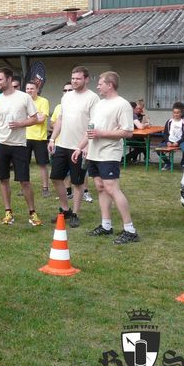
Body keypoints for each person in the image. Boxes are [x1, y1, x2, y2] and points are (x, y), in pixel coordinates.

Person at [73, 71, 138, 243]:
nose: (97, 86)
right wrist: (80, 147)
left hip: (110, 152)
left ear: (110, 85)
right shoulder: (99, 104)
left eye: (100, 83)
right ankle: (106, 225)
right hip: (94, 153)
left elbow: (128, 132)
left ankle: (130, 230)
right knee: (100, 187)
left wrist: (101, 133)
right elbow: (91, 130)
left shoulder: (122, 104)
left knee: (112, 188)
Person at [0, 67, 42, 227]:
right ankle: (8, 212)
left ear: (9, 79)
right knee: (3, 179)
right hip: (1, 144)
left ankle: (32, 213)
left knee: (24, 181)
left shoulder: (24, 97)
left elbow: (35, 119)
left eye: (0, 79)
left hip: (19, 145)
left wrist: (20, 124)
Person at [48, 66, 99, 228]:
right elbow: (60, 120)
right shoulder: (67, 97)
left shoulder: (93, 98)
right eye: (73, 78)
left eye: (78, 78)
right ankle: (65, 210)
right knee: (55, 177)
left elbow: (93, 124)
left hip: (79, 147)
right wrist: (52, 139)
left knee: (77, 182)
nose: (75, 81)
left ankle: (75, 214)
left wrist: (86, 145)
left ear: (86, 79)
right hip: (62, 144)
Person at [24, 81, 50, 197]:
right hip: (25, 137)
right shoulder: (23, 102)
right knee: (24, 164)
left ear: (37, 90)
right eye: (27, 89)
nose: (29, 91)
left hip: (40, 138)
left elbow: (42, 119)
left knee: (42, 164)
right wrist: (34, 117)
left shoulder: (43, 101)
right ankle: (25, 187)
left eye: (32, 88)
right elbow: (20, 118)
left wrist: (28, 118)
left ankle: (45, 188)